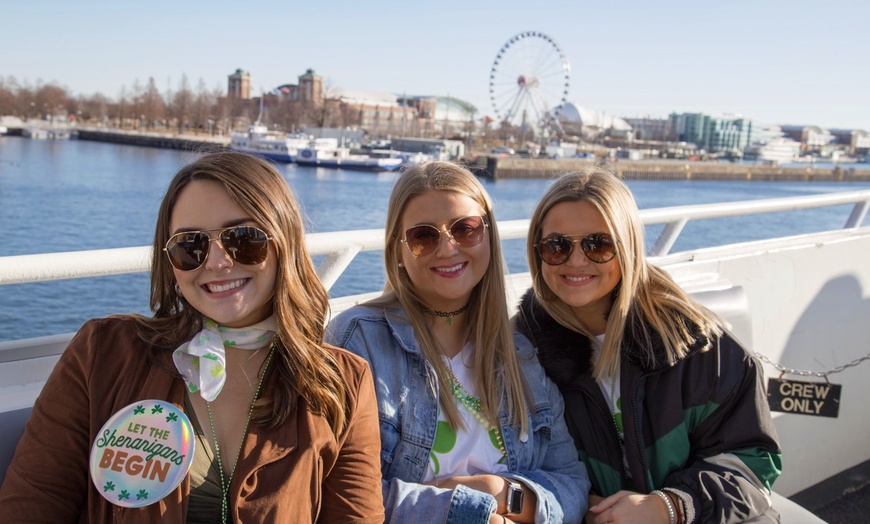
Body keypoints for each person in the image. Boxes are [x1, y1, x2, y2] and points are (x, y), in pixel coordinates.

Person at [0, 152, 385, 523]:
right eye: (190, 245)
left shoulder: (342, 383)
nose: (217, 262)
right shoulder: (102, 353)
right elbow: (34, 503)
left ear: (283, 241)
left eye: (243, 238)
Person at [326, 161, 590, 524]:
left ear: (488, 237)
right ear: (398, 252)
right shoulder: (358, 341)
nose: (447, 248)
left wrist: (498, 491)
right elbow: (341, 492)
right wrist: (470, 513)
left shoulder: (521, 354)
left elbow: (572, 484)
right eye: (423, 236)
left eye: (465, 229)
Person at [515, 167, 783, 524]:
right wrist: (576, 501)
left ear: (627, 248)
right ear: (538, 252)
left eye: (598, 244)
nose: (576, 260)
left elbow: (752, 464)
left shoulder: (698, 346)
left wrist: (670, 506)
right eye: (557, 245)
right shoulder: (522, 353)